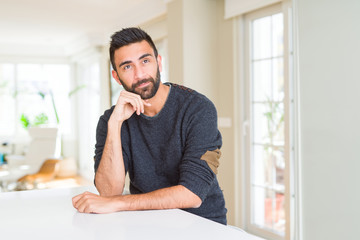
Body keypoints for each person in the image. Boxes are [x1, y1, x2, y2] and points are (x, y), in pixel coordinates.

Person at [72, 27, 227, 225]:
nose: (140, 74)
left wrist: (120, 203)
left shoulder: (197, 108)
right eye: (127, 67)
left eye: (145, 61)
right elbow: (109, 192)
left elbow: (192, 194)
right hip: (145, 221)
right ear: (116, 77)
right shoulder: (111, 120)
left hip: (202, 223)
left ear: (159, 63)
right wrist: (115, 126)